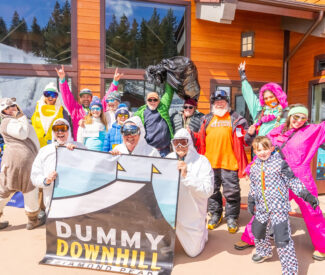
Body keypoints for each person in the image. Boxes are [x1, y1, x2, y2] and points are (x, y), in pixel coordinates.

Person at [237, 104, 325, 261]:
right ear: (290, 116)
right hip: (278, 179)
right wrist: (252, 167)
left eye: (303, 117)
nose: (299, 120)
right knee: (266, 210)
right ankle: (249, 237)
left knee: (313, 211)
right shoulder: (275, 132)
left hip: (301, 179)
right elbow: (263, 152)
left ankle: (322, 246)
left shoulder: (311, 131)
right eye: (296, 116)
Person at [247, 136, 318, 274]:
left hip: (278, 208)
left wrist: (307, 195)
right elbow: (254, 186)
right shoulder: (255, 167)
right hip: (262, 207)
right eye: (259, 150)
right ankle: (264, 251)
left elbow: (293, 181)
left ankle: (290, 269)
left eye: (265, 149)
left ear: (272, 149)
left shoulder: (280, 164)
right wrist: (251, 199)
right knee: (258, 230)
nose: (262, 152)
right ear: (255, 151)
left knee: (282, 238)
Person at [193, 90, 253, 233]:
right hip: (209, 164)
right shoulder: (206, 119)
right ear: (213, 104)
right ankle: (215, 214)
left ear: (227, 103)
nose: (219, 104)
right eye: (216, 102)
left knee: (231, 192)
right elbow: (200, 139)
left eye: (222, 101)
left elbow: (243, 139)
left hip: (229, 163)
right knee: (212, 191)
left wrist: (250, 134)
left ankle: (232, 217)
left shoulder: (236, 119)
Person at [167, 129, 214, 257]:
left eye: (183, 142)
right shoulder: (169, 158)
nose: (180, 146)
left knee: (193, 252)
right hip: (170, 212)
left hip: (191, 215)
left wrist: (187, 175)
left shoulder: (202, 161)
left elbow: (208, 191)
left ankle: (202, 232)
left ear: (190, 143)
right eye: (176, 143)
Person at [0, 98, 44, 230]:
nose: (12, 109)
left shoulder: (14, 121)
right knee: (26, 188)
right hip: (18, 159)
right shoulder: (7, 121)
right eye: (7, 108)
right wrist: (21, 117)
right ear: (3, 112)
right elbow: (22, 134)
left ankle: (32, 220)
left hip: (22, 159)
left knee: (9, 189)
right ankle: (33, 220)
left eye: (13, 106)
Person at [31, 119, 85, 212]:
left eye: (63, 128)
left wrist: (77, 153)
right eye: (56, 129)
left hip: (76, 201)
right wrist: (46, 180)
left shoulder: (80, 147)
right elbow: (35, 175)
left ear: (69, 130)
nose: (60, 132)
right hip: (53, 202)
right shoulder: (44, 151)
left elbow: (90, 169)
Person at [56, 65, 123, 139]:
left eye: (88, 97)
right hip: (80, 144)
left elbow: (108, 97)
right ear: (80, 99)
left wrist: (115, 82)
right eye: (83, 97)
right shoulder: (75, 110)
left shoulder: (97, 109)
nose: (86, 99)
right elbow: (67, 95)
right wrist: (62, 80)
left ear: (91, 99)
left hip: (95, 144)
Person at [238, 61, 288, 136]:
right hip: (259, 146)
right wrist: (243, 77)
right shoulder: (260, 110)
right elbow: (249, 95)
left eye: (271, 97)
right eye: (266, 98)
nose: (269, 100)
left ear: (278, 96)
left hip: (277, 147)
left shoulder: (287, 112)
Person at [134, 84, 176, 157]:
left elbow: (169, 93)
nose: (152, 102)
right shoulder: (140, 113)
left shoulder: (163, 107)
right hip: (149, 151)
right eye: (150, 100)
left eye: (155, 100)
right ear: (146, 101)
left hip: (164, 150)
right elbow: (131, 124)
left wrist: (169, 77)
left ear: (158, 101)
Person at [31, 82, 71, 147]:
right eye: (47, 94)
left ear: (57, 97)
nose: (50, 97)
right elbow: (21, 114)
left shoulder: (62, 110)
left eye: (53, 95)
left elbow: (67, 129)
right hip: (36, 145)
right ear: (44, 95)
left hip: (53, 146)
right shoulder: (36, 108)